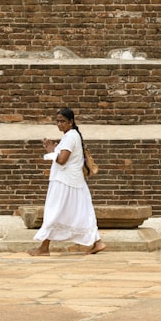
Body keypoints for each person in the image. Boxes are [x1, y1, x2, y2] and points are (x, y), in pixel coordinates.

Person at [29, 107, 106, 256]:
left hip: (64, 182)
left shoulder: (71, 136)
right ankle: (98, 242)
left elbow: (62, 160)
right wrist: (54, 149)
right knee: (82, 213)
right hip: (74, 182)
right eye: (57, 121)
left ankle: (43, 248)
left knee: (54, 212)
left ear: (71, 122)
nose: (59, 124)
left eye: (63, 121)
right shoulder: (71, 135)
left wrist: (51, 151)